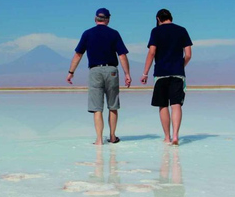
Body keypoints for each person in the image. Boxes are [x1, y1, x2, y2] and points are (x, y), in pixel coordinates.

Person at [67, 8, 132, 145]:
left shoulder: (87, 34)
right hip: (112, 71)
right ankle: (113, 137)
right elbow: (122, 55)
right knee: (112, 105)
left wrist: (71, 72)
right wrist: (127, 74)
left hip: (95, 71)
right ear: (108, 19)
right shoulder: (114, 33)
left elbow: (78, 54)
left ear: (95, 19)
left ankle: (99, 140)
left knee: (97, 107)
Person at [140, 9, 192, 145]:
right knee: (176, 105)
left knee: (163, 105)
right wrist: (181, 65)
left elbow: (151, 53)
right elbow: (188, 54)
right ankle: (176, 136)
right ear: (171, 17)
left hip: (161, 73)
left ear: (158, 19)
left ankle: (167, 137)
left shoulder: (155, 31)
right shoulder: (182, 30)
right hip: (178, 73)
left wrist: (145, 73)